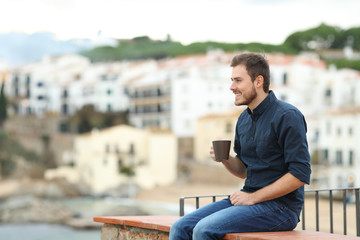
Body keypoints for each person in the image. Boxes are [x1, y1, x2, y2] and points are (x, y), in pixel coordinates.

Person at [169, 52, 311, 240]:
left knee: (203, 229)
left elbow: (300, 174)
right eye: (232, 80)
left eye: (238, 81)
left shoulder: (288, 116)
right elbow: (244, 170)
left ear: (258, 81)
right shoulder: (243, 119)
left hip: (281, 208)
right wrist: (226, 159)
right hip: (247, 199)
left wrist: (253, 198)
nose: (231, 87)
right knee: (180, 227)